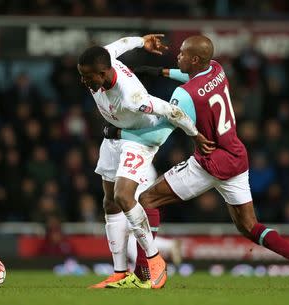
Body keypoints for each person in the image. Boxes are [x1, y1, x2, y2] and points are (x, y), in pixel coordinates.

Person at [110, 35, 289, 290]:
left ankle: (145, 273)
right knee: (249, 226)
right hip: (236, 157)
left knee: (147, 200)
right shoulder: (217, 69)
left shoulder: (184, 95)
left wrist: (122, 133)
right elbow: (190, 77)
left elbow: (162, 130)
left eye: (183, 54)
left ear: (195, 59)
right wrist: (159, 72)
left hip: (209, 162)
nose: (178, 56)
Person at [77, 34, 212, 289]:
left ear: (104, 73)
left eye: (88, 76)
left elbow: (172, 111)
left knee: (124, 196)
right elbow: (121, 45)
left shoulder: (132, 97)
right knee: (109, 202)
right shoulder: (102, 59)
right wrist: (142, 41)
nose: (83, 81)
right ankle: (119, 273)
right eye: (81, 74)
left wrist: (195, 135)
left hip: (140, 138)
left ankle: (155, 259)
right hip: (115, 134)